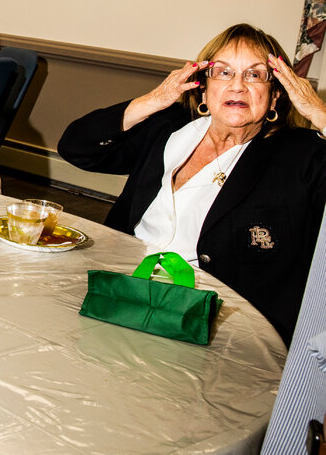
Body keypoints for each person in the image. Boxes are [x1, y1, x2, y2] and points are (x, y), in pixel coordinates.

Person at [58, 23, 326, 344]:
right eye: (223, 73)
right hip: (122, 292)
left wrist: (318, 111)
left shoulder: (302, 155)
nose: (238, 86)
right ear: (203, 88)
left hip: (215, 323)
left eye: (254, 75)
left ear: (275, 95)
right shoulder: (170, 128)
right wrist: (154, 100)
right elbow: (77, 148)